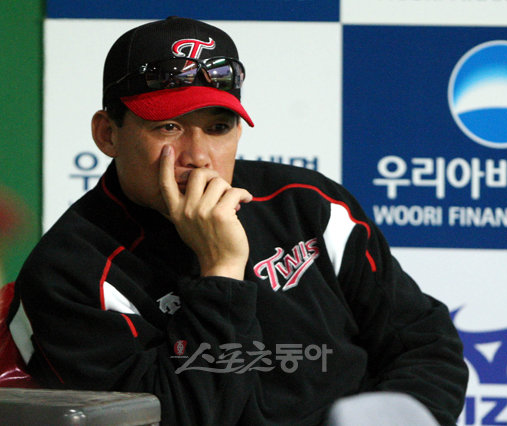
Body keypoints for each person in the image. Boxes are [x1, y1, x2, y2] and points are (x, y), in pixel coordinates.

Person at [10, 16, 468, 425]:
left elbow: (425, 343)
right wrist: (221, 272)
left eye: (218, 128)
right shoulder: (70, 275)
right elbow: (182, 417)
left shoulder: (307, 203)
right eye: (169, 126)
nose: (198, 156)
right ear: (107, 134)